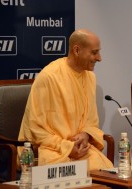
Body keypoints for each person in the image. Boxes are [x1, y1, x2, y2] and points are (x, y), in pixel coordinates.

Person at [18, 29, 113, 171]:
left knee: (106, 172)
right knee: (67, 175)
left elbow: (91, 121)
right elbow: (35, 129)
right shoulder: (49, 77)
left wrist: (85, 135)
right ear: (76, 50)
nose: (99, 58)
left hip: (81, 150)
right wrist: (67, 147)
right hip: (53, 151)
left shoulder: (90, 77)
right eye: (94, 52)